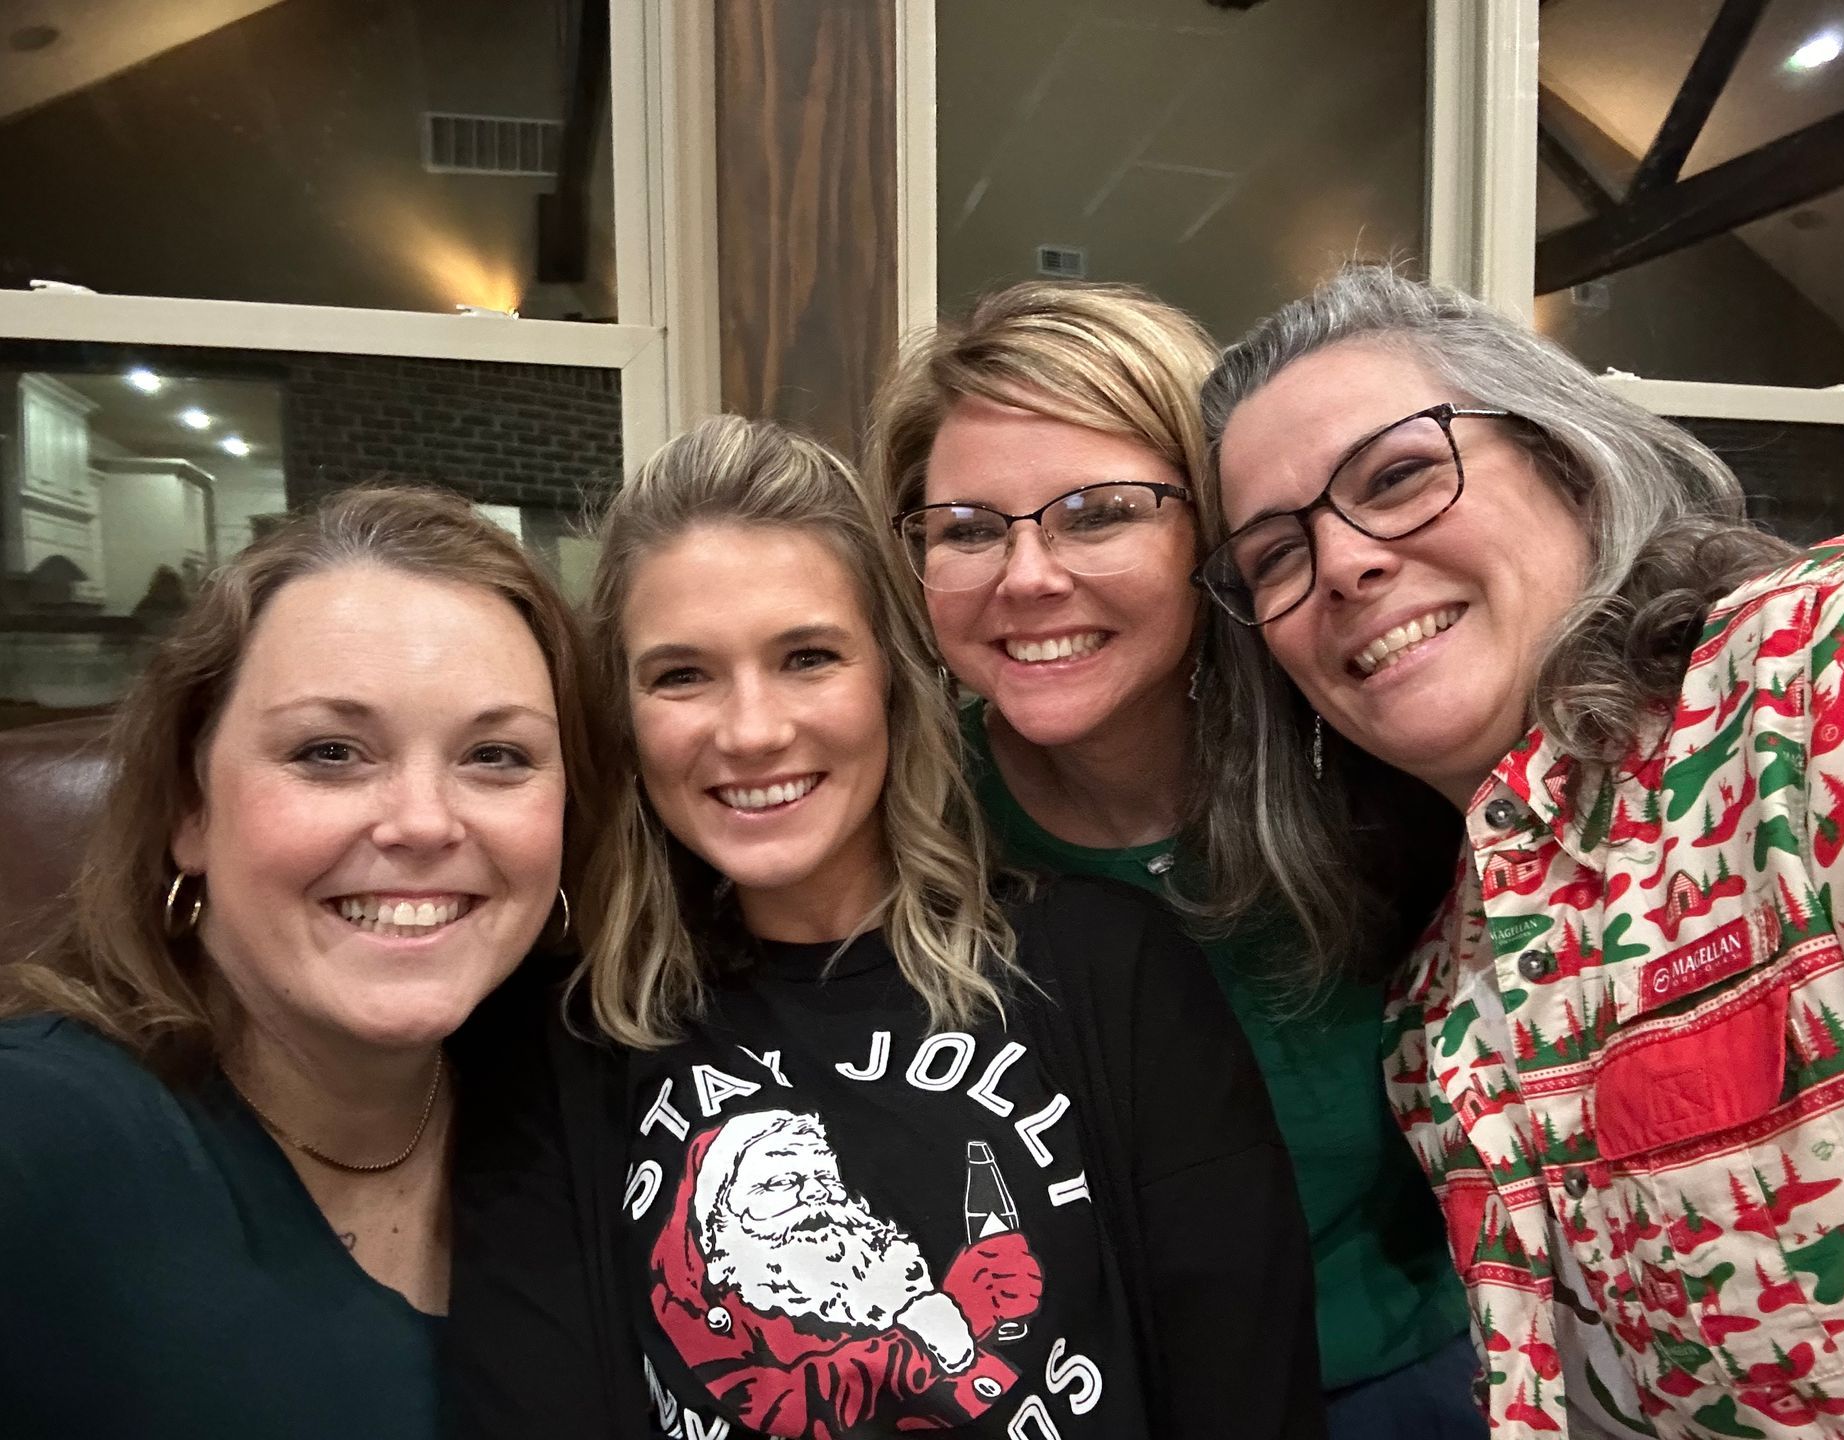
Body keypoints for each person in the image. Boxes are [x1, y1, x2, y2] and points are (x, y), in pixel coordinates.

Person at [444, 414, 1323, 1440]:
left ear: (893, 684)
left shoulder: (1106, 970)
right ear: (625, 720)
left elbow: (1248, 1396)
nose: (754, 730)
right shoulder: (559, 1041)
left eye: (808, 657)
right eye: (681, 674)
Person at [1193, 263, 1844, 1437]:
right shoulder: (1439, 1002)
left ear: (1569, 462)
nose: (1343, 563)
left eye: (1400, 477)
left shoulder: (1843, 674)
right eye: (1276, 554)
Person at [868, 280, 1476, 1436]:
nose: (1028, 575)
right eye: (968, 529)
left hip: (1390, 1378)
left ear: (1214, 532)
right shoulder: (890, 827)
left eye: (1098, 511)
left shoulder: (1369, 760)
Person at [0, 487, 599, 1439]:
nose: (421, 823)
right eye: (330, 751)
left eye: (495, 755)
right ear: (187, 809)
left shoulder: (587, 1114)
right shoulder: (37, 1141)